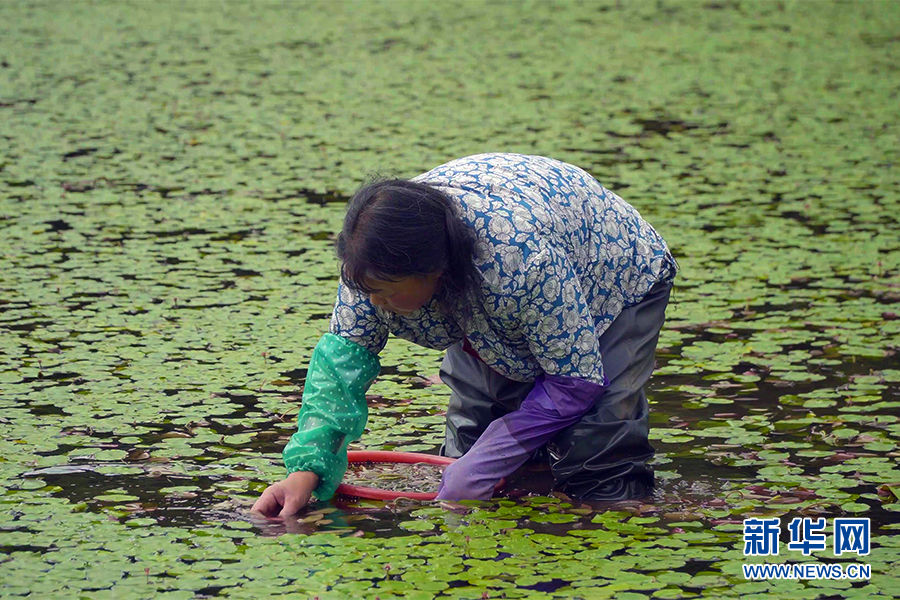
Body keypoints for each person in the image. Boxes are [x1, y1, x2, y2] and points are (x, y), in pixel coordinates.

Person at [252, 153, 677, 517]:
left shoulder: (518, 261)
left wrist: (492, 458)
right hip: (503, 280)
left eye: (385, 292)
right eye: (367, 291)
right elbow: (338, 377)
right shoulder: (368, 270)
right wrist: (305, 472)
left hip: (611, 270)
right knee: (475, 430)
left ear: (432, 271)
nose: (373, 303)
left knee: (598, 444)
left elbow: (574, 379)